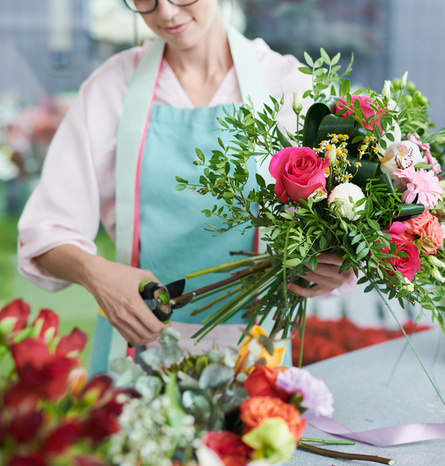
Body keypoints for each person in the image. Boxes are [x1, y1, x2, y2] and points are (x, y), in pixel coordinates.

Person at [17, 0, 353, 374]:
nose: (165, 13)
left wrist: (336, 266)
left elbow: (344, 219)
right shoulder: (111, 88)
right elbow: (44, 233)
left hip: (256, 367)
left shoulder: (289, 86)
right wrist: (97, 275)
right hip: (135, 353)